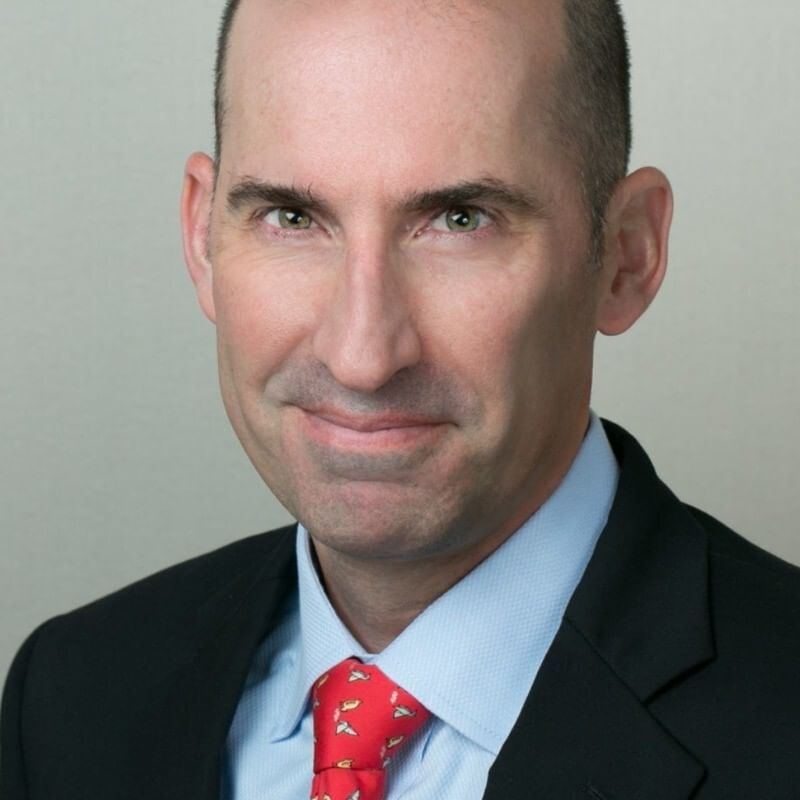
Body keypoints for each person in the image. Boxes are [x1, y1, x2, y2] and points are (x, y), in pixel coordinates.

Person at [2, 0, 799, 797]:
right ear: (203, 236)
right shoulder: (69, 697)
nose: (362, 358)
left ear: (626, 255)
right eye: (292, 217)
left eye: (460, 220)